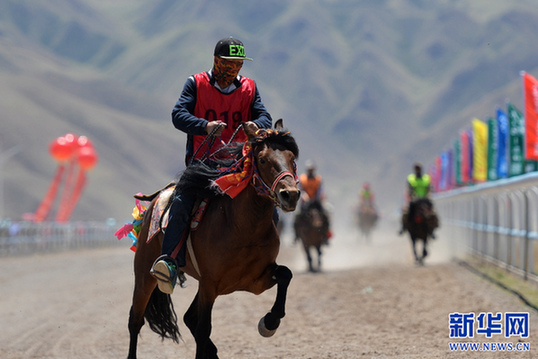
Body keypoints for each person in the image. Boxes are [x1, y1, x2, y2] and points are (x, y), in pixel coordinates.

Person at [151, 37, 273, 294]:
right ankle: (169, 262)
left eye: (238, 64)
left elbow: (265, 115)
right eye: (229, 64)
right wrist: (204, 126)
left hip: (240, 164)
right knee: (182, 201)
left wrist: (257, 125)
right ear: (217, 61)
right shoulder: (195, 84)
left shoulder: (250, 88)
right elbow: (178, 115)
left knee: (268, 200)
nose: (234, 69)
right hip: (204, 164)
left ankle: (264, 258)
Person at [399, 163, 435, 237]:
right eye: (416, 169)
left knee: (432, 213)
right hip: (415, 200)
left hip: (425, 199)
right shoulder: (411, 178)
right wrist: (413, 196)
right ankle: (404, 227)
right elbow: (409, 189)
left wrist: (427, 195)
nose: (418, 170)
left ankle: (431, 230)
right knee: (407, 213)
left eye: (419, 169)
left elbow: (429, 188)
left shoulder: (426, 178)